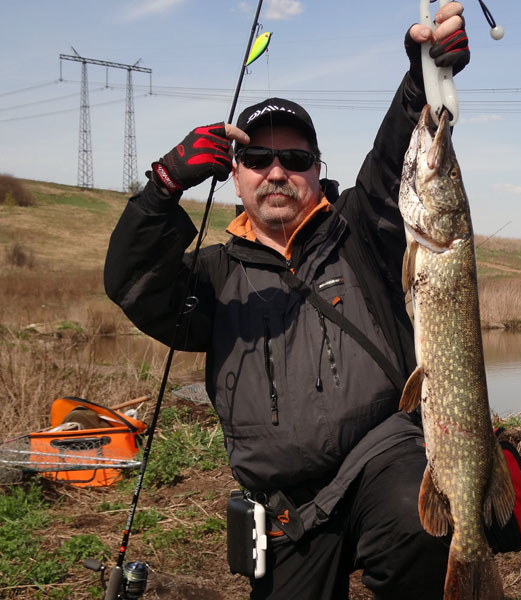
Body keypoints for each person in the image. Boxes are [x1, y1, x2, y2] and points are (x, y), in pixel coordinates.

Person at [104, 4, 470, 599]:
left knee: (419, 522)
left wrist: (421, 78)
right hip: (287, 506)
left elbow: (394, 163)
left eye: (295, 160)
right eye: (257, 159)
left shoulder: (358, 230)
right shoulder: (213, 276)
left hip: (384, 457)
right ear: (235, 174)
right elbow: (133, 284)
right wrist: (162, 188)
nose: (277, 172)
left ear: (316, 170)